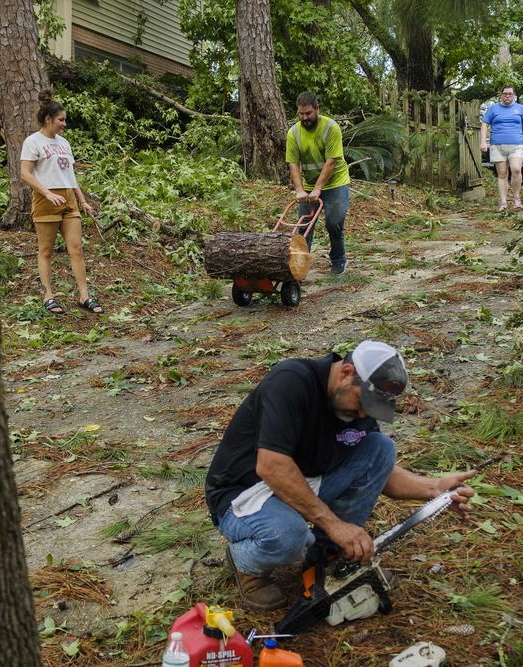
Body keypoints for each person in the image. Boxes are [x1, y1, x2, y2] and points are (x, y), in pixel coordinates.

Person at [204, 340, 477, 610]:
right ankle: (246, 563)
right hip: (242, 494)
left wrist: (435, 488)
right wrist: (335, 525)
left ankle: (326, 554)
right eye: (362, 402)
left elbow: (379, 472)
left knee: (380, 448)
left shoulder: (355, 407)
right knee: (289, 536)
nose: (362, 413)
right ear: (346, 373)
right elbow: (272, 466)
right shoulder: (291, 381)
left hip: (302, 480)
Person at [20, 90, 103, 315]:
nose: (64, 124)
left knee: (76, 249)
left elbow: (70, 175)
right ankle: (48, 296)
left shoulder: (64, 143)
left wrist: (82, 201)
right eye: (61, 120)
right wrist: (47, 194)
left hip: (68, 199)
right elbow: (25, 173)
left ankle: (84, 295)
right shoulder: (33, 141)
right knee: (46, 250)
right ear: (48, 119)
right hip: (46, 199)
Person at [286, 92, 351, 275]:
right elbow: (293, 163)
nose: (305, 118)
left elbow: (331, 162)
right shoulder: (294, 133)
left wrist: (318, 188)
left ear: (317, 109)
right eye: (301, 114)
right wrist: (299, 190)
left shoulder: (330, 128)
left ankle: (338, 260)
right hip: (309, 185)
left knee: (334, 222)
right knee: (304, 225)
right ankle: (298, 267)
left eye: (308, 113)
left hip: (335, 183)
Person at [479, 85, 523, 212]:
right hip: (497, 145)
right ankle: (503, 202)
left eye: (510, 94)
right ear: (501, 95)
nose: (507, 96)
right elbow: (485, 125)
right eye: (505, 93)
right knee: (502, 174)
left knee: (516, 170)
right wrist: (483, 142)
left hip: (516, 145)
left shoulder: (521, 109)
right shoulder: (493, 108)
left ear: (514, 95)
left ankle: (516, 198)